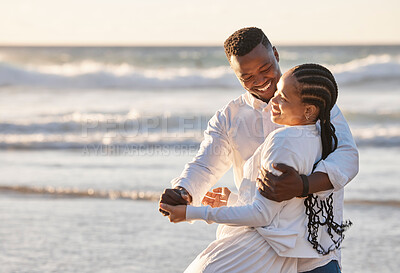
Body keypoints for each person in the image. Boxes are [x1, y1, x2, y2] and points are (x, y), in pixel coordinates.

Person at [159, 27, 359, 272]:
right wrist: (183, 190)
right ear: (236, 75)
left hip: (314, 249)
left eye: (265, 69)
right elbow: (205, 164)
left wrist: (303, 185)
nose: (261, 81)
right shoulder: (229, 117)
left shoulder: (313, 103)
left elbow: (347, 158)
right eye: (247, 77)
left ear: (275, 54)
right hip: (257, 248)